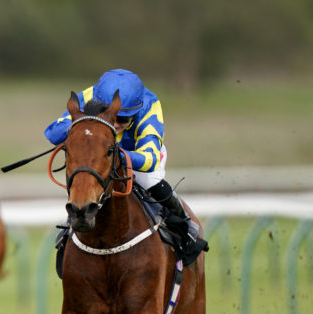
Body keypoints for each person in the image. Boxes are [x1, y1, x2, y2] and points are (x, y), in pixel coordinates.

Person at [45, 68, 203, 257]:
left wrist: (114, 154)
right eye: (107, 114)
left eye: (123, 119)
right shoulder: (90, 95)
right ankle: (71, 225)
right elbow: (52, 133)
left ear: (135, 113)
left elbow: (149, 160)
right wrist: (83, 132)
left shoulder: (149, 105)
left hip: (136, 153)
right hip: (99, 153)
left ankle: (185, 225)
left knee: (148, 180)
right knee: (84, 179)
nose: (115, 124)